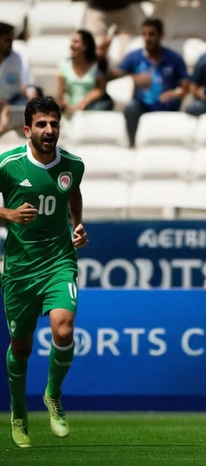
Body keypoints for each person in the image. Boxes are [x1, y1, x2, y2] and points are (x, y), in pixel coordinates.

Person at [1, 96, 88, 448]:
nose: (49, 130)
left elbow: (73, 193)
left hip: (58, 261)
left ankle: (53, 395)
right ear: (27, 130)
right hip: (20, 270)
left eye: (54, 123)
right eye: (41, 124)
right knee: (20, 349)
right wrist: (7, 215)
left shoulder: (73, 164)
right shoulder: (8, 164)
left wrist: (78, 225)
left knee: (63, 329)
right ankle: (19, 410)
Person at [111, 18, 189, 146]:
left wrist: (175, 94)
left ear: (161, 36)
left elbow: (186, 86)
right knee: (131, 108)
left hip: (167, 105)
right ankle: (132, 145)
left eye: (151, 34)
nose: (147, 38)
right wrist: (134, 78)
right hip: (142, 105)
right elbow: (115, 74)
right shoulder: (134, 57)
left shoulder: (174, 58)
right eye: (144, 34)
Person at [71, 0, 145, 59]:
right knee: (96, 46)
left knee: (127, 46)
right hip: (98, 11)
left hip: (121, 9)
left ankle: (123, 66)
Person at [56, 30, 113, 116]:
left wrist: (83, 103)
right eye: (72, 41)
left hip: (91, 105)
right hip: (70, 106)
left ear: (85, 46)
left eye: (76, 42)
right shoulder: (63, 66)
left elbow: (100, 89)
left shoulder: (96, 66)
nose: (71, 45)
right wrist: (65, 104)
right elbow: (60, 94)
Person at [0, 23, 40, 136]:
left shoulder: (18, 58)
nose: (10, 44)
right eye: (6, 40)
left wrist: (32, 94)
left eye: (11, 40)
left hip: (14, 101)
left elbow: (27, 85)